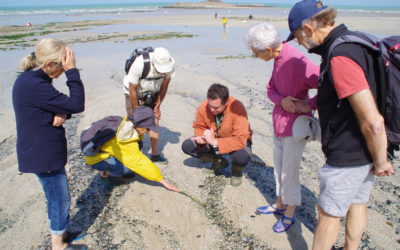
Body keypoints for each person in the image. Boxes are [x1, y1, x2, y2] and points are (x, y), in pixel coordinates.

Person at [287, 0, 394, 249]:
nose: (300, 44)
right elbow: (346, 98)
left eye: (297, 37)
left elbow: (372, 121)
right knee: (358, 203)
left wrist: (381, 161)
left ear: (307, 29)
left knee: (327, 215)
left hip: (348, 154)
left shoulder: (340, 56)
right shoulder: (356, 41)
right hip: (365, 150)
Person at [12, 38, 86, 250]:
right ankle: (58, 245)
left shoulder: (29, 79)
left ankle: (60, 231)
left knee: (56, 196)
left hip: (40, 150)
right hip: (43, 154)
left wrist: (63, 111)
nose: (64, 71)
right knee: (59, 198)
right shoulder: (36, 85)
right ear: (49, 65)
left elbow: (57, 104)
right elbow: (77, 103)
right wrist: (73, 73)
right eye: (63, 66)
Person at [245, 22, 319, 233]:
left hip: (296, 126)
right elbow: (270, 90)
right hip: (279, 122)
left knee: (290, 171)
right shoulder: (278, 58)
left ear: (268, 49)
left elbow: (328, 84)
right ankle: (279, 203)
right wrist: (281, 100)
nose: (255, 56)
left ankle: (290, 213)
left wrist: (309, 105)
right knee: (278, 166)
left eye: (255, 53)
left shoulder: (297, 60)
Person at [83, 106, 179, 193]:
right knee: (127, 170)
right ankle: (103, 173)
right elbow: (138, 161)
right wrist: (162, 180)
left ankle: (113, 160)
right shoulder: (125, 137)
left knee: (139, 143)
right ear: (140, 125)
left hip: (107, 148)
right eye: (148, 128)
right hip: (95, 158)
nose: (148, 131)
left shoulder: (126, 122)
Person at [181, 83, 252, 186]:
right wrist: (200, 137)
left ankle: (237, 171)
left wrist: (215, 142)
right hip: (212, 138)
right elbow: (199, 127)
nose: (211, 110)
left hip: (233, 140)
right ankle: (218, 161)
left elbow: (241, 139)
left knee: (242, 156)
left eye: (216, 108)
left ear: (226, 103)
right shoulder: (203, 107)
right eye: (210, 106)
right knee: (188, 146)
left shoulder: (237, 108)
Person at [123, 47, 175, 165]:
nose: (163, 73)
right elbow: (132, 89)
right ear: (153, 63)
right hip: (133, 92)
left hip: (153, 91)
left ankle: (155, 154)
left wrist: (158, 106)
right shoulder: (140, 64)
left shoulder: (171, 64)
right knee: (137, 125)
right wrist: (138, 113)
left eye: (164, 71)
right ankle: (133, 156)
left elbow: (165, 85)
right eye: (160, 71)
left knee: (154, 122)